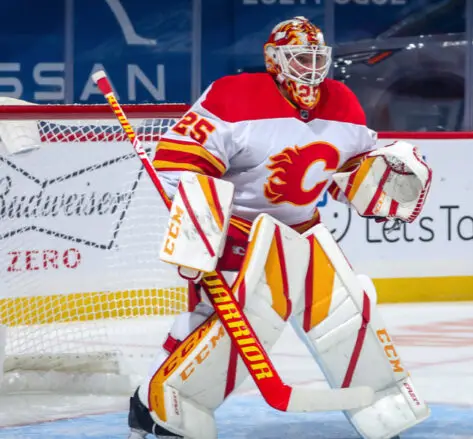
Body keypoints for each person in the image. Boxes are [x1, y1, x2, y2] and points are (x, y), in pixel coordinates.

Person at [128, 16, 432, 438]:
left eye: (316, 57)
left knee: (349, 316)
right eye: (299, 58)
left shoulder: (343, 102)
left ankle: (383, 407)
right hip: (238, 237)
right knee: (219, 334)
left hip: (305, 236)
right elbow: (180, 162)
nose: (310, 68)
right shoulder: (233, 96)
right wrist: (200, 230)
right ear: (274, 60)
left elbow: (348, 175)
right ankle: (162, 408)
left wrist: (375, 186)